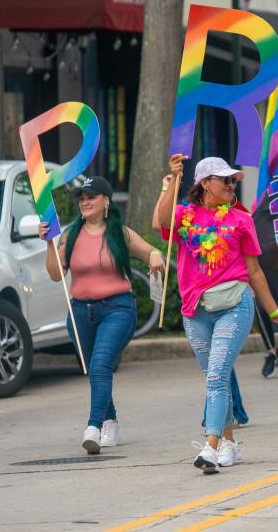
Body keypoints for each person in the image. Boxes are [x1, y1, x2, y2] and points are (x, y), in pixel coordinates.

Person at [155, 154, 278, 474]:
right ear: (205, 183)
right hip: (195, 310)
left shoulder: (241, 220)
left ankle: (211, 447)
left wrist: (273, 310)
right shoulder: (185, 215)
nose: (232, 185)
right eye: (225, 180)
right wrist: (171, 181)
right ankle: (231, 442)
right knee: (213, 379)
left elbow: (255, 271)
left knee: (218, 375)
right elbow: (161, 222)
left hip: (234, 304)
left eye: (234, 180)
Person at [39, 176, 164, 454]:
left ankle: (93, 426)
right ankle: (110, 420)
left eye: (91, 197)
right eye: (82, 198)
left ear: (106, 201)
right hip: (80, 312)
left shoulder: (120, 233)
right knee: (95, 368)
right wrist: (48, 243)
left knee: (100, 365)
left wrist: (155, 257)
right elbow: (55, 273)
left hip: (117, 309)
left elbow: (152, 252)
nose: (85, 202)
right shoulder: (71, 234)